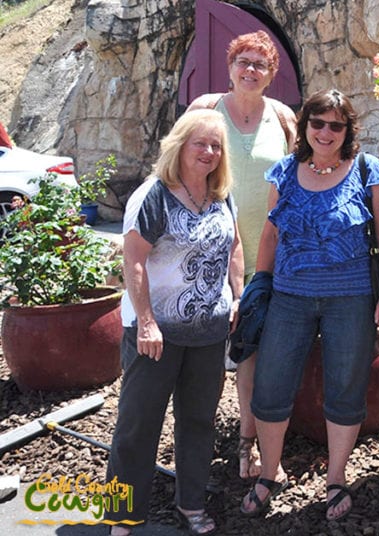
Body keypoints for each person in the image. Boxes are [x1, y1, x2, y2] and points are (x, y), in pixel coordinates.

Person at [240, 89, 379, 522]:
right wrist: (259, 287)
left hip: (351, 298)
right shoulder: (285, 173)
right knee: (271, 385)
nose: (325, 132)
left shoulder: (369, 172)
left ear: (347, 130)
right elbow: (271, 235)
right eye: (317, 123)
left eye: (336, 125)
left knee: (346, 388)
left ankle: (335, 477)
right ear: (304, 126)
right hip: (290, 297)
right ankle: (269, 474)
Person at [106, 109, 242, 536]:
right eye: (199, 143)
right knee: (136, 425)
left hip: (208, 333)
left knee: (199, 422)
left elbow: (234, 245)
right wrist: (146, 321)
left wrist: (237, 296)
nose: (208, 152)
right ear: (179, 145)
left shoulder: (221, 195)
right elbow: (134, 261)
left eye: (216, 146)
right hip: (156, 336)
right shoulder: (154, 195)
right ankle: (121, 515)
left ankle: (191, 504)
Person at [186, 29, 297, 481]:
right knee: (205, 357)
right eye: (243, 61)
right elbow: (175, 172)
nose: (251, 70)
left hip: (267, 254)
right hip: (210, 254)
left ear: (271, 74)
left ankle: (249, 448)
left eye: (260, 64)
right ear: (230, 67)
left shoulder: (284, 117)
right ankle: (194, 448)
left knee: (253, 354)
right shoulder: (205, 111)